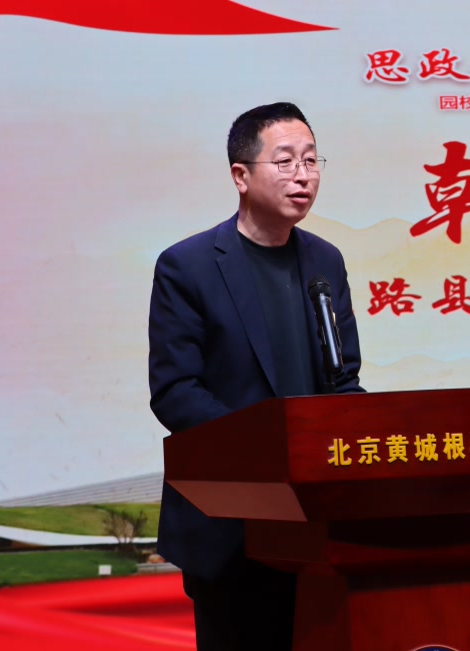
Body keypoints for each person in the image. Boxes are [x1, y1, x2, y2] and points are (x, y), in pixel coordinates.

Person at [148, 102, 364, 650]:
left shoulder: (326, 262)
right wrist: (269, 450)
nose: (303, 175)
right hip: (230, 525)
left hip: (318, 526)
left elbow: (343, 383)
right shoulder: (188, 266)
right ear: (240, 176)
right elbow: (175, 392)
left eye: (311, 161)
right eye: (285, 161)